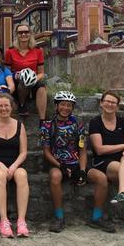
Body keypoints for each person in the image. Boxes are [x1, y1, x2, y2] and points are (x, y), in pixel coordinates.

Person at [87, 91, 124, 235]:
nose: (110, 104)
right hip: (104, 162)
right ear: (101, 103)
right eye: (107, 101)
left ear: (117, 106)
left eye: (113, 103)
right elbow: (99, 149)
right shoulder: (95, 123)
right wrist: (123, 146)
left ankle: (121, 193)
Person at [0, 94, 30, 238]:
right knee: (0, 175)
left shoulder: (20, 125)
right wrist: (1, 165)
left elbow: (23, 152)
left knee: (22, 175)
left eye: (6, 105)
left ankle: (21, 221)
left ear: (11, 107)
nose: (4, 108)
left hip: (15, 163)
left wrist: (14, 166)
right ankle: (4, 220)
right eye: (0, 106)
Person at [40, 91, 87, 233]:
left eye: (69, 105)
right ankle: (59, 217)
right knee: (55, 177)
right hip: (57, 163)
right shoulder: (47, 126)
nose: (65, 108)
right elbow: (46, 151)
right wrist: (60, 165)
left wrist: (82, 170)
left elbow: (82, 150)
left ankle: (97, 216)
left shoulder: (78, 125)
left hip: (75, 163)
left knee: (101, 178)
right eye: (62, 104)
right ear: (56, 105)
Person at [4, 24, 47, 120]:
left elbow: (41, 73)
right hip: (17, 80)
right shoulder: (10, 51)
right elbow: (6, 71)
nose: (23, 34)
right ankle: (22, 104)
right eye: (20, 32)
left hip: (34, 79)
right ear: (16, 35)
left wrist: (34, 79)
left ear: (30, 34)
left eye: (26, 32)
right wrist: (14, 75)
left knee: (42, 88)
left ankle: (42, 120)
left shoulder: (38, 51)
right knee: (23, 82)